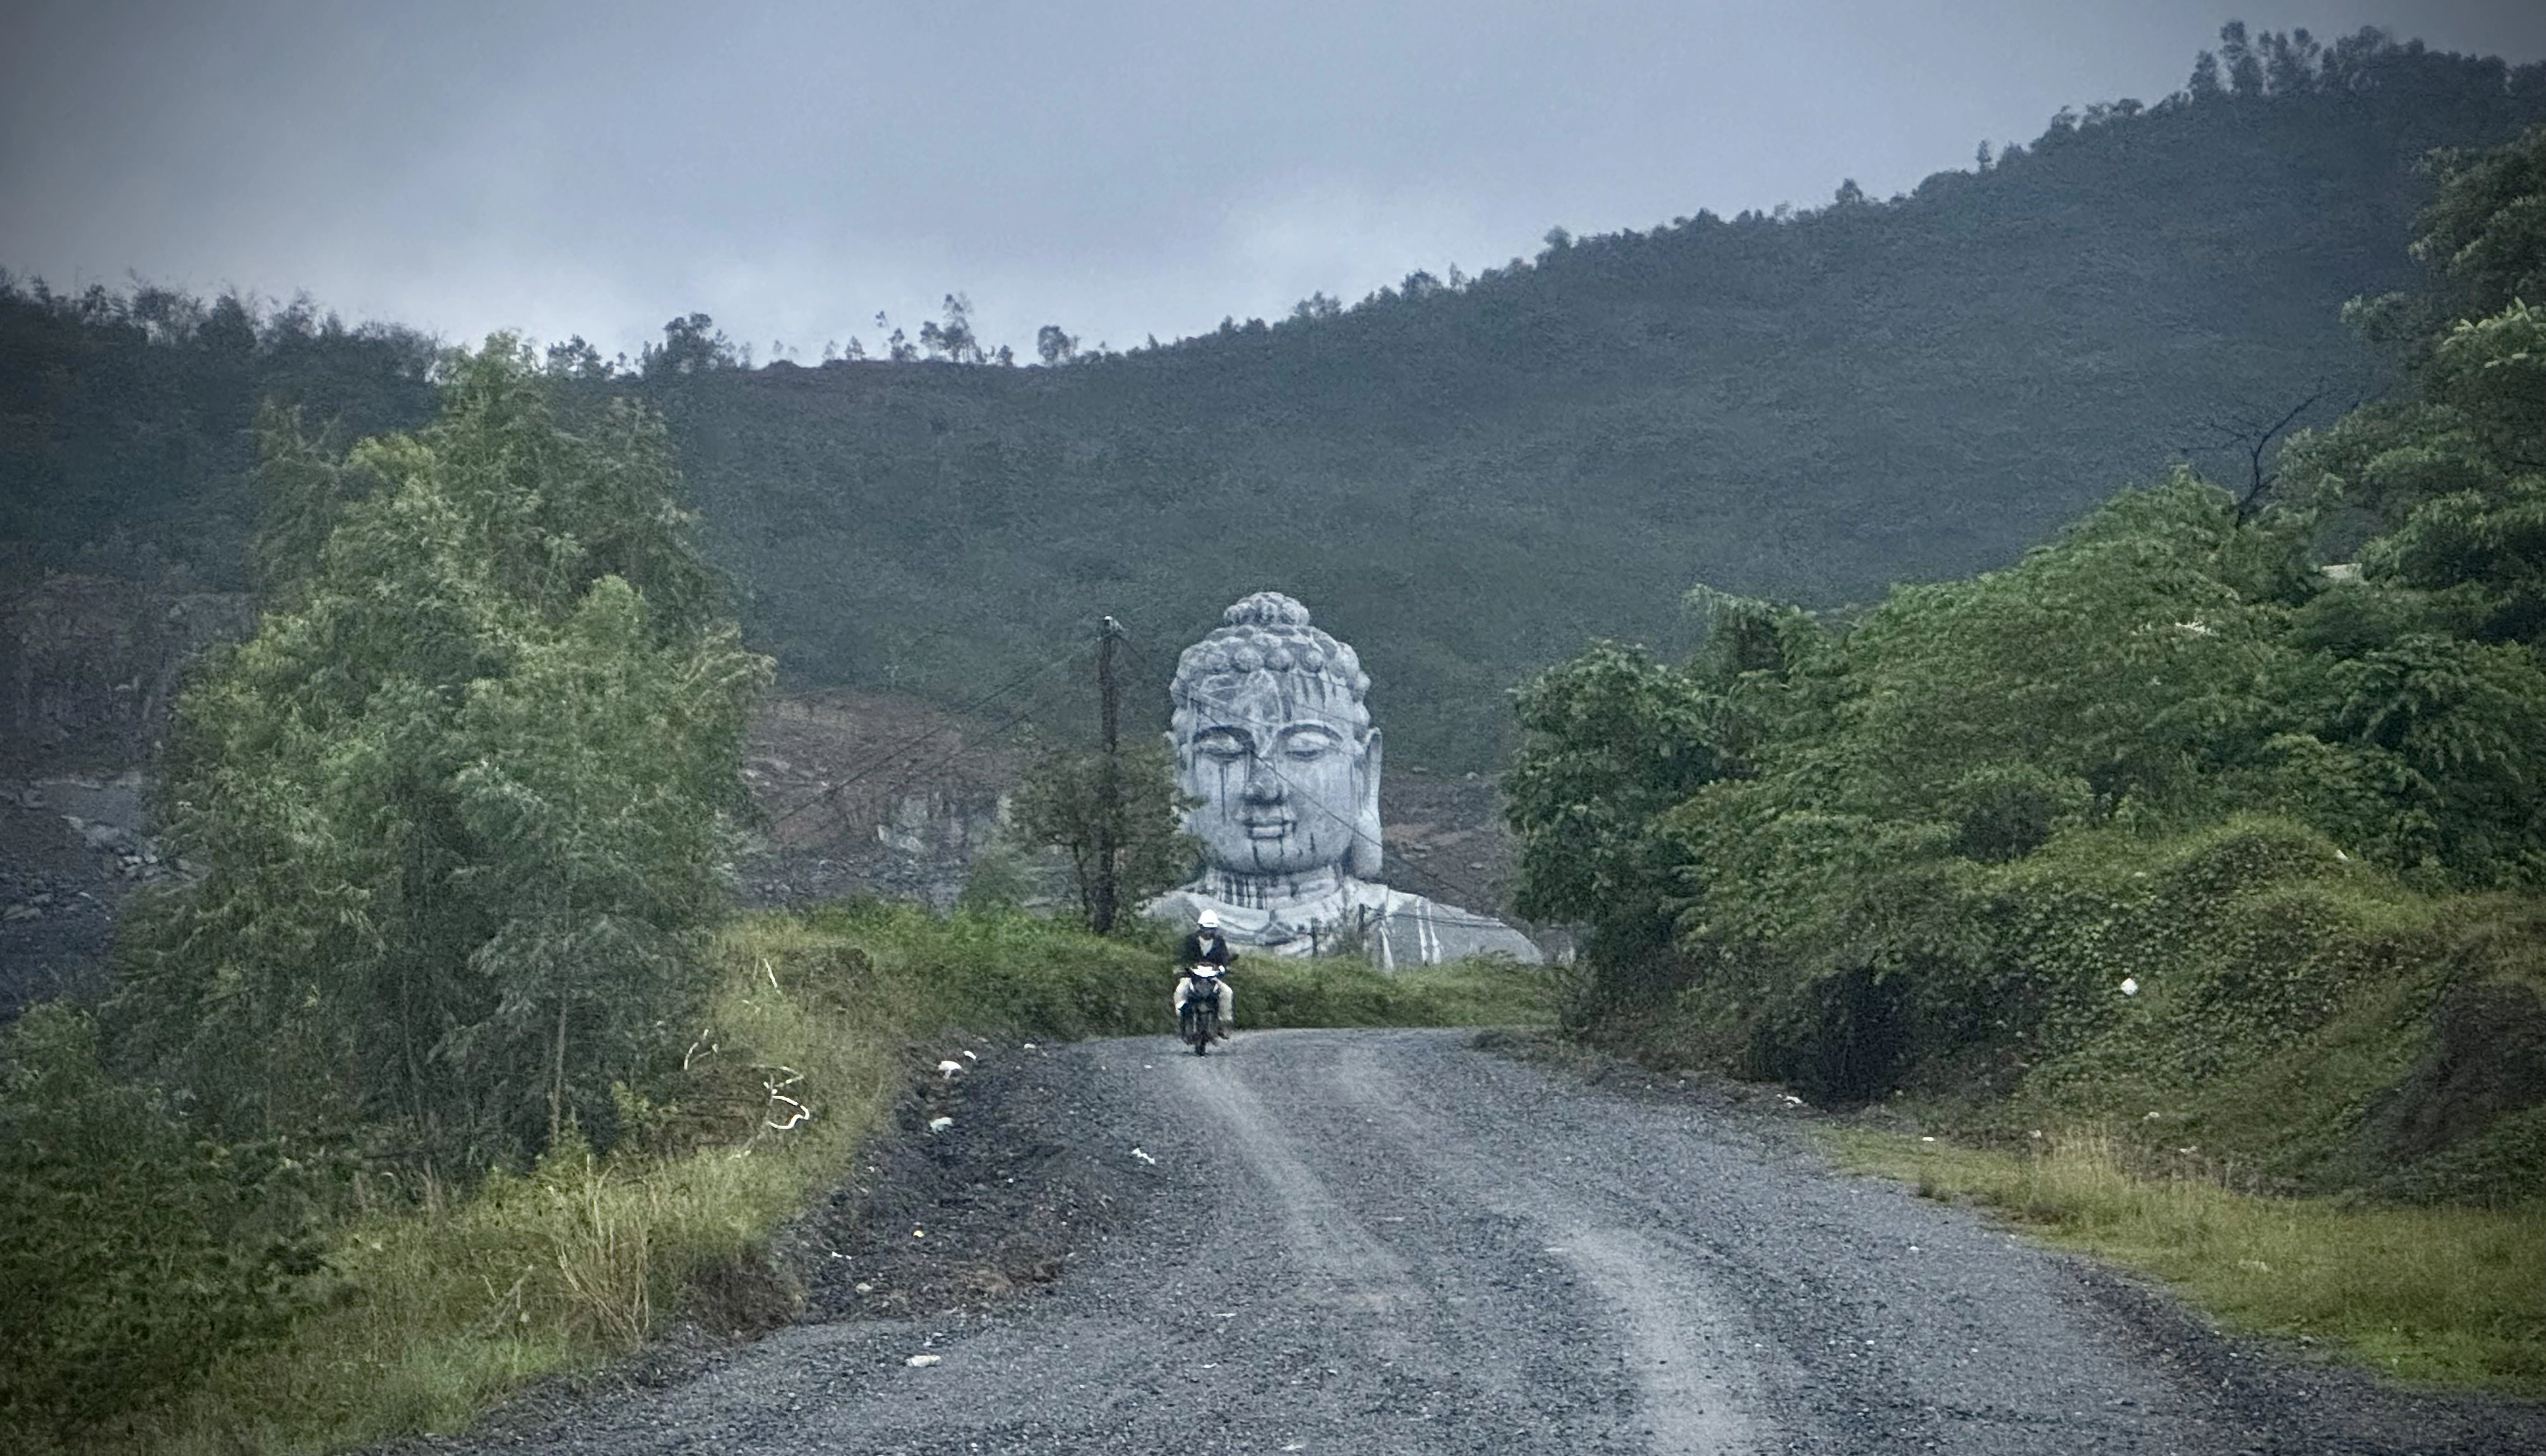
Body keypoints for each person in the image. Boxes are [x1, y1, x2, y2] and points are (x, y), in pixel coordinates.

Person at [1143, 592, 1545, 969]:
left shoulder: (1478, 949)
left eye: (1304, 751)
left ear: (1365, 771)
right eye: (1227, 753)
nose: (1266, 788)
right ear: (1176, 773)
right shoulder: (1135, 937)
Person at [1174, 908, 1236, 1039]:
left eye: (1212, 929)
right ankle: (1181, 1019)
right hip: (1192, 977)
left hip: (1212, 978)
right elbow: (1183, 957)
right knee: (1180, 991)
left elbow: (1224, 959)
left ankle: (1224, 1024)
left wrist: (1223, 968)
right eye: (1206, 928)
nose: (1209, 932)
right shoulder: (1190, 940)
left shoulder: (1220, 942)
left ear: (1216, 929)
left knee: (1227, 992)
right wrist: (1183, 967)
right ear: (1201, 927)